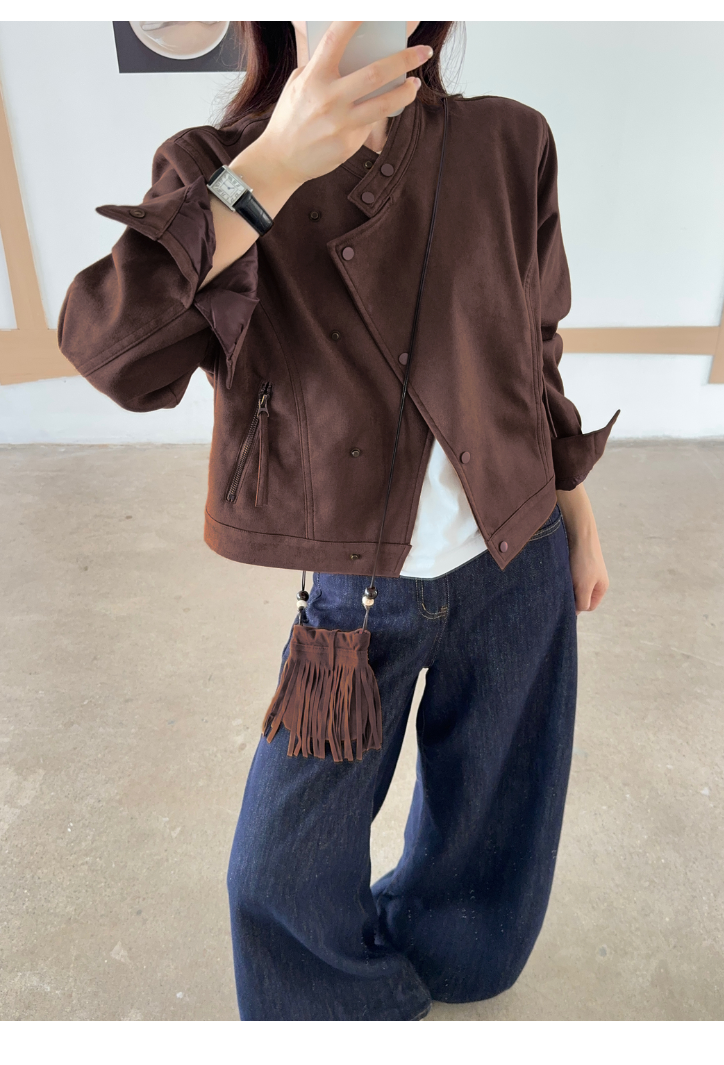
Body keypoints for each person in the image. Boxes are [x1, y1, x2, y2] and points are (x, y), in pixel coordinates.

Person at [58, 21, 620, 1021]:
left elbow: (534, 349)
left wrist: (576, 509)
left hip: (517, 552)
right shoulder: (216, 165)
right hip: (360, 598)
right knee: (277, 869)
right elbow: (114, 352)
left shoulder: (509, 139)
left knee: (498, 818)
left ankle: (457, 952)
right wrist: (270, 169)